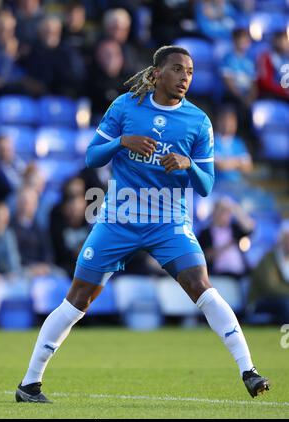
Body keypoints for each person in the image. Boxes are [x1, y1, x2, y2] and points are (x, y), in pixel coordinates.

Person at [15, 45, 269, 403]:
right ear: (156, 74)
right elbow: (91, 155)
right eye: (178, 69)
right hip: (119, 218)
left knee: (201, 285)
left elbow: (207, 185)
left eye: (191, 72)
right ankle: (29, 384)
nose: (185, 77)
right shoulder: (125, 107)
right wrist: (122, 142)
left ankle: (249, 370)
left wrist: (188, 165)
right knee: (78, 298)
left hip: (169, 221)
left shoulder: (198, 121)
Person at [248, 221, 289, 324]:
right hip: (261, 300)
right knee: (286, 303)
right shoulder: (269, 258)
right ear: (281, 240)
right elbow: (270, 287)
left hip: (281, 298)